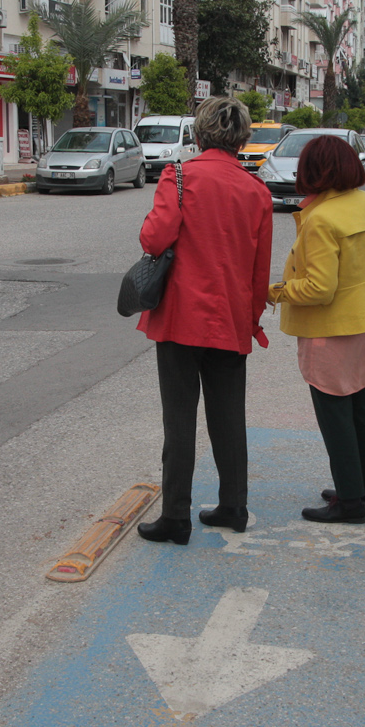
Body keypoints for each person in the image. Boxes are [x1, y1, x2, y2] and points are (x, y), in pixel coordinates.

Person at [135, 96, 274, 545]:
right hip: (230, 319)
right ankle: (234, 505)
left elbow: (154, 239)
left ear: (199, 134)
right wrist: (250, 320)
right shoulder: (258, 192)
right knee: (229, 418)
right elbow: (259, 270)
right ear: (243, 139)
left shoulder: (179, 177)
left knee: (179, 420)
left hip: (179, 319)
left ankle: (176, 517)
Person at [268, 135, 365, 524]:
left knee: (334, 410)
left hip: (335, 328)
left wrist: (274, 291)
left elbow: (319, 289)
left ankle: (349, 502)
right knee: (360, 402)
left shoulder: (322, 218)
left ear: (313, 171)